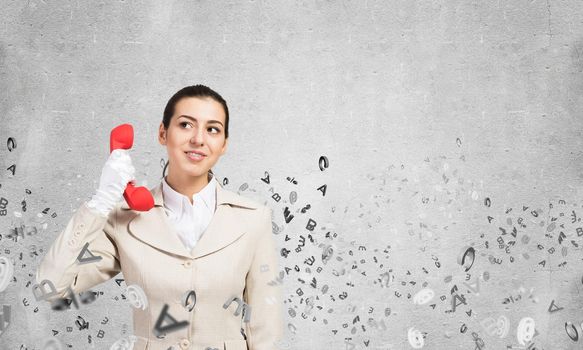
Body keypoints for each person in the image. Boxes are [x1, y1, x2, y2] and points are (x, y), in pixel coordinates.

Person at [35, 85, 284, 350]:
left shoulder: (253, 220)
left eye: (213, 129)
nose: (199, 139)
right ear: (163, 133)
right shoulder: (125, 221)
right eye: (186, 125)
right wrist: (100, 203)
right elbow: (49, 288)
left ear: (223, 144)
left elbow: (264, 329)